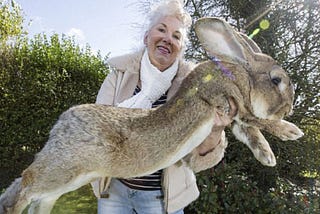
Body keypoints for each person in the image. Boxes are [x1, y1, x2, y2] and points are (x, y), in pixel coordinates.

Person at [91, 0, 237, 213]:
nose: (168, 39)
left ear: (180, 49)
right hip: (115, 191)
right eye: (161, 29)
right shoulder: (118, 76)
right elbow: (96, 129)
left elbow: (196, 159)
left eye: (176, 36)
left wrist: (215, 129)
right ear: (146, 37)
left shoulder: (195, 88)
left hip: (161, 200)